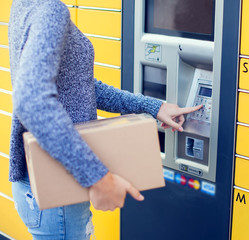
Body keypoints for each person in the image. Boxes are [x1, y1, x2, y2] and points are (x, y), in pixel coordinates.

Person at [8, 0, 202, 239]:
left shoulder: (26, 4)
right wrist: (98, 177)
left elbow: (79, 88)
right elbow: (31, 100)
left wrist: (153, 106)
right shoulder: (50, 10)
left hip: (42, 182)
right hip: (58, 189)